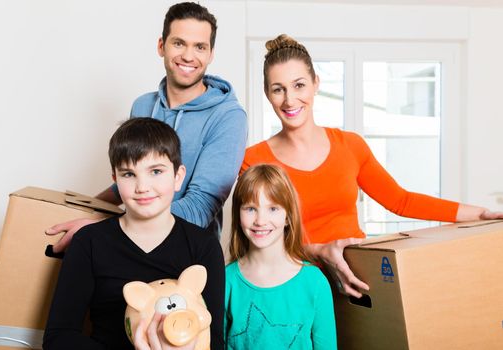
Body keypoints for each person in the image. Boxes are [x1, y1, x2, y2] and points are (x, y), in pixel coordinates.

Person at [241, 34, 503, 298]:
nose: (289, 100)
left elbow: (401, 201)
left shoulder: (350, 146)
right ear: (267, 94)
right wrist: (318, 250)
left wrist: (479, 214)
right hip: (291, 287)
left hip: (357, 282)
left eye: (299, 85)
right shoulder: (254, 160)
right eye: (278, 89)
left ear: (315, 83)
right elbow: (255, 236)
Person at [45, 2, 247, 253]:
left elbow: (199, 209)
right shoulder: (142, 106)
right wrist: (81, 210)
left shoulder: (228, 116)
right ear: (161, 46)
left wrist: (100, 225)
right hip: (130, 243)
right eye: (179, 43)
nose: (188, 56)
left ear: (211, 54)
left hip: (185, 252)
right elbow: (128, 182)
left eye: (200, 47)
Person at [43, 118, 225, 350]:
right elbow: (58, 338)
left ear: (178, 177)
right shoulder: (89, 242)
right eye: (129, 174)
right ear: (115, 180)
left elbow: (215, 342)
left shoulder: (203, 246)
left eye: (156, 171)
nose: (142, 187)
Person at [224, 164, 337, 349]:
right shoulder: (226, 280)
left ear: (288, 217)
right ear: (238, 213)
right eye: (250, 208)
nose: (260, 220)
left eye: (273, 208)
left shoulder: (315, 282)